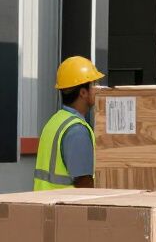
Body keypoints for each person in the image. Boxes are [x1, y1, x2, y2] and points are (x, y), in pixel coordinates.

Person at [33, 56, 105, 191]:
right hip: (67, 207)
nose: (98, 88)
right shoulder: (76, 130)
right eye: (94, 84)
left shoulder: (55, 121)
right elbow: (84, 183)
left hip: (48, 204)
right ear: (83, 93)